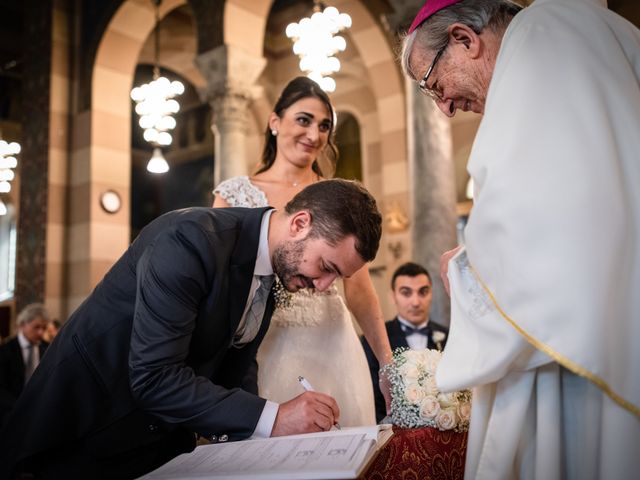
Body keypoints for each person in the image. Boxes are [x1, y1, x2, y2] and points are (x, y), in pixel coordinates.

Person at [0, 179, 383, 479]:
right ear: (300, 224)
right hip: (82, 435)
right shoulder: (189, 239)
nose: (324, 287)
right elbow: (154, 377)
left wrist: (257, 436)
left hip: (154, 442)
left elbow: (237, 360)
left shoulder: (271, 267)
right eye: (327, 268)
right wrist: (273, 417)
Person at [402, 0, 640, 478]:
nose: (445, 107)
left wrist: (463, 271)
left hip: (580, 355)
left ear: (463, 40)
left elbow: (543, 227)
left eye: (433, 84)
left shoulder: (539, 37)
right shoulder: (600, 30)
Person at [213, 76, 393, 427]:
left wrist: (386, 362)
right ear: (275, 122)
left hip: (333, 343)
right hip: (267, 347)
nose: (315, 134)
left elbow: (358, 288)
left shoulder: (339, 198)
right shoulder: (235, 195)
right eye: (304, 120)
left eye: (325, 125)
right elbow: (221, 283)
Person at [361, 262, 448, 422]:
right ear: (393, 296)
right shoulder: (375, 339)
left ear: (431, 294)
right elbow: (372, 397)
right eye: (406, 293)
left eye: (423, 292)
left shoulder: (448, 335)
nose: (415, 302)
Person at [0, 303, 50, 427]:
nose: (40, 332)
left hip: (39, 412)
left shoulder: (47, 348)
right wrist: (17, 408)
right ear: (23, 325)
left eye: (44, 328)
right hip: (10, 413)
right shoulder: (5, 350)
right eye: (36, 327)